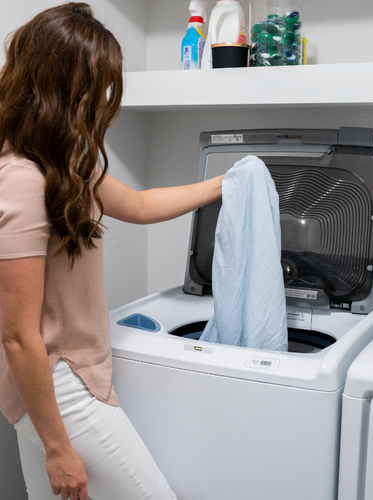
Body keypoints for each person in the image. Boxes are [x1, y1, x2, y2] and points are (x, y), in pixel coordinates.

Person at [0, 3, 224, 500]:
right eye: (97, 87)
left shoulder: (64, 165)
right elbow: (17, 336)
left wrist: (224, 183)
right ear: (62, 87)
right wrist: (57, 447)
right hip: (59, 386)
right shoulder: (22, 179)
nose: (104, 102)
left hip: (60, 380)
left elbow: (140, 205)